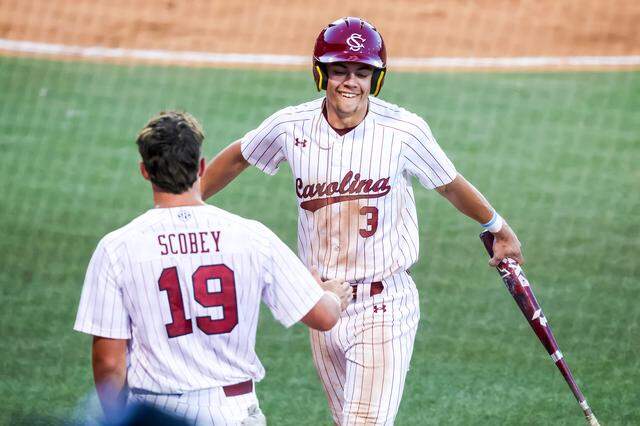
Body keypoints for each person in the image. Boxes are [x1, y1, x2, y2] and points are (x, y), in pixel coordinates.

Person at [200, 17, 524, 425]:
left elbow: (450, 184)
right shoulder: (290, 126)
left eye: (362, 71)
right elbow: (238, 155)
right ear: (321, 72)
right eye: (340, 70)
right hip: (321, 305)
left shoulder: (403, 130)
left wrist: (498, 226)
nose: (350, 81)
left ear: (377, 77)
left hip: (385, 304)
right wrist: (188, 201)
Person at [73, 111, 353, 425]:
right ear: (201, 167)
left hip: (156, 412)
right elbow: (324, 316)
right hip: (233, 411)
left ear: (144, 171)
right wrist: (329, 294)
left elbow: (109, 364)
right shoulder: (250, 235)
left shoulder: (117, 248)